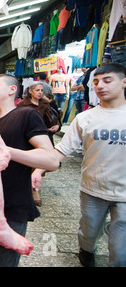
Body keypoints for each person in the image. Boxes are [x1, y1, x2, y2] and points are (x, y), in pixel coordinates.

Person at [32, 63, 126, 267]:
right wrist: (39, 169)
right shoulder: (85, 118)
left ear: (124, 82)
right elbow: (62, 149)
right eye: (96, 82)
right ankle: (86, 250)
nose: (100, 86)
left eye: (107, 80)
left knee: (120, 251)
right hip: (93, 189)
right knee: (89, 232)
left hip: (124, 195)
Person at [0, 74, 59, 267]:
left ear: (12, 90)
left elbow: (51, 160)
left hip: (11, 207)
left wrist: (6, 151)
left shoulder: (26, 115)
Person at [17, 81, 61, 207]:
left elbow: (54, 117)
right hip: (28, 138)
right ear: (30, 91)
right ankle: (32, 190)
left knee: (39, 164)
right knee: (29, 163)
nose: (40, 93)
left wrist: (57, 125)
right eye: (37, 90)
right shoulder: (23, 104)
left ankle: (35, 188)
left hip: (44, 136)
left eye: (41, 90)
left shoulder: (45, 104)